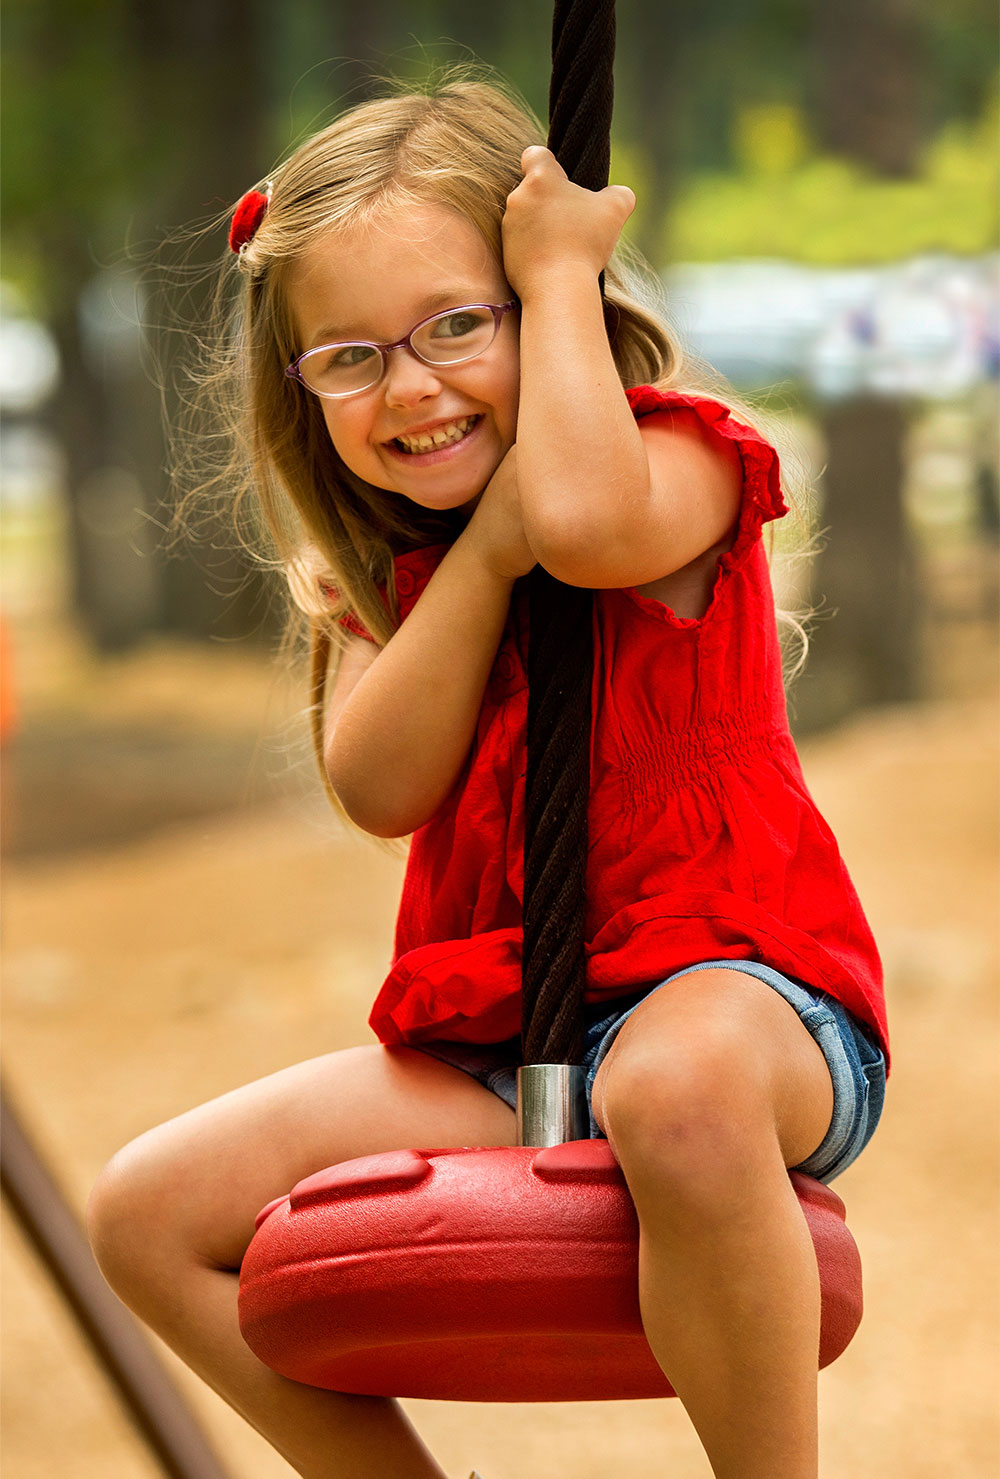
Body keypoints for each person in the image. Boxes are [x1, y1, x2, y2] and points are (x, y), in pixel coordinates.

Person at [87, 74, 888, 1479]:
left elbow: (581, 524)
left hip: (751, 1004)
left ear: (546, 309)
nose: (408, 386)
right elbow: (379, 785)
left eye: (459, 324)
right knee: (145, 1214)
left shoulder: (679, 465)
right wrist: (482, 558)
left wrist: (560, 274)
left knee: (673, 1091)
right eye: (347, 358)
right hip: (507, 1044)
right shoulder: (412, 578)